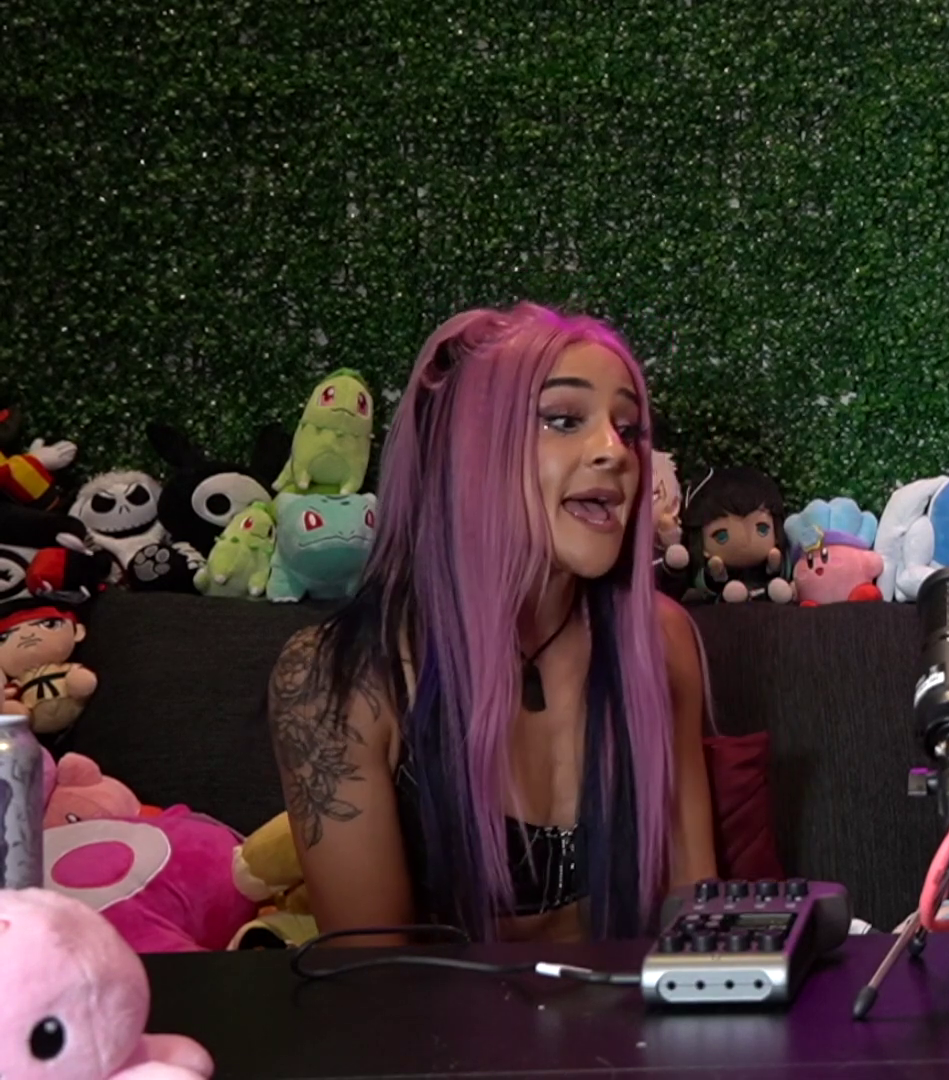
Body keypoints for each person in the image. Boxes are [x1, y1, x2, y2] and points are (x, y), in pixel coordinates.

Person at [266, 303, 717, 945]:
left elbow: (697, 918)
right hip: (434, 1014)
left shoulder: (660, 640)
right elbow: (369, 980)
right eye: (564, 419)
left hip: (635, 1009)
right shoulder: (335, 679)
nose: (614, 452)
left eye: (629, 428)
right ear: (469, 449)